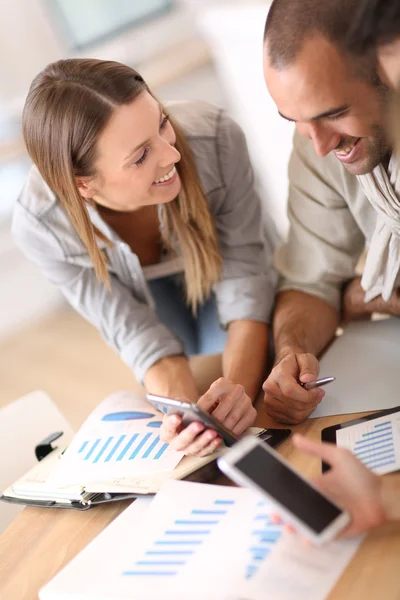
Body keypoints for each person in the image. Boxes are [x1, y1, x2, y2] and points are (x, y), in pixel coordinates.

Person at [14, 58, 277, 456]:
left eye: (162, 123)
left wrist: (237, 394)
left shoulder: (216, 139)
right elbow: (137, 335)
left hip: (222, 265)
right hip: (145, 292)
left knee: (247, 373)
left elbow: (246, 285)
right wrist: (187, 419)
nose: (171, 155)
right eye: (139, 157)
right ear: (83, 185)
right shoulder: (41, 226)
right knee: (181, 400)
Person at [261, 0, 400, 425]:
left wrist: (361, 296)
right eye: (294, 120)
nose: (320, 145)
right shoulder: (318, 145)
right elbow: (309, 282)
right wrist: (291, 353)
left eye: (335, 114)